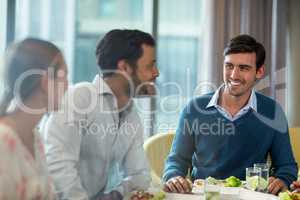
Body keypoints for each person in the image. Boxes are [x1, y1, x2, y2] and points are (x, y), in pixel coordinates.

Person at [163, 34, 298, 195]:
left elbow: (286, 166)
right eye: (229, 66)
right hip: (204, 196)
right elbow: (176, 161)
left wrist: (282, 179)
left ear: (259, 71)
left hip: (253, 197)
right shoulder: (194, 109)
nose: (234, 75)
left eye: (243, 68)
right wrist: (174, 176)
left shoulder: (272, 111)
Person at [42, 29, 159, 200]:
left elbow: (140, 175)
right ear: (124, 67)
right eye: (150, 66)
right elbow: (59, 166)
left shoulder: (131, 113)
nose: (156, 73)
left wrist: (116, 194)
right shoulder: (80, 98)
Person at [0, 38, 68, 199]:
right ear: (45, 82)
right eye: (64, 76)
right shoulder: (3, 140)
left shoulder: (35, 137)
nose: (67, 85)